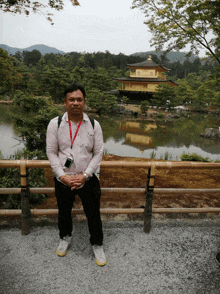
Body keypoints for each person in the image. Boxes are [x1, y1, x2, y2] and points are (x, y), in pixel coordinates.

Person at [46, 83, 106, 266]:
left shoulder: (94, 125)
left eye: (79, 99)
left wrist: (86, 175)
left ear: (84, 102)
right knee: (64, 211)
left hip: (87, 177)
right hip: (64, 177)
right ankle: (65, 237)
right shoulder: (55, 124)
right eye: (71, 99)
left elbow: (98, 153)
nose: (75, 103)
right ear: (64, 102)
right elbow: (51, 152)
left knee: (93, 212)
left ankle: (97, 244)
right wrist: (62, 176)